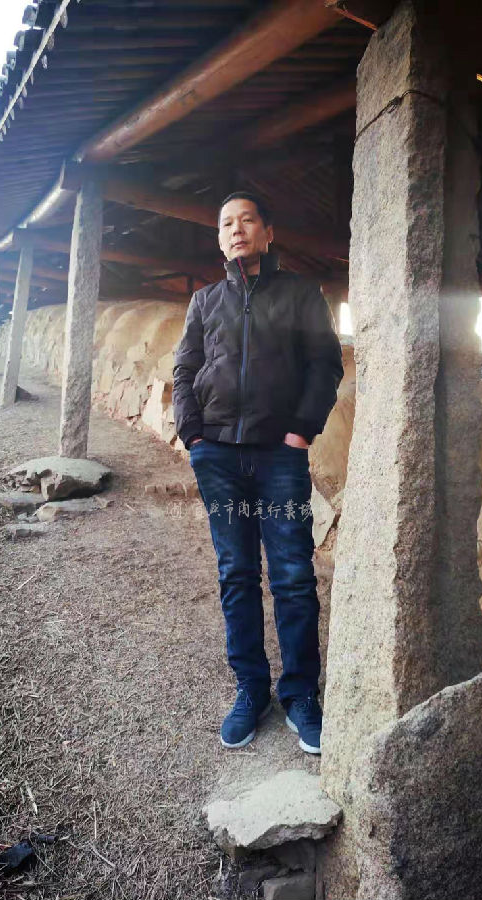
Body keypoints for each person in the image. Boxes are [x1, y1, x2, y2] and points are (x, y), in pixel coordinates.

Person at [172, 192, 343, 754]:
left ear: (268, 232)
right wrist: (194, 436)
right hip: (219, 457)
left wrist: (300, 432)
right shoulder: (204, 301)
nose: (237, 229)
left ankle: (301, 694)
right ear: (219, 238)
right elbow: (184, 371)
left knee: (292, 574)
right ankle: (251, 689)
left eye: (247, 219)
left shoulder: (301, 294)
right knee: (237, 573)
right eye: (227, 223)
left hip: (279, 457)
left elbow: (325, 365)